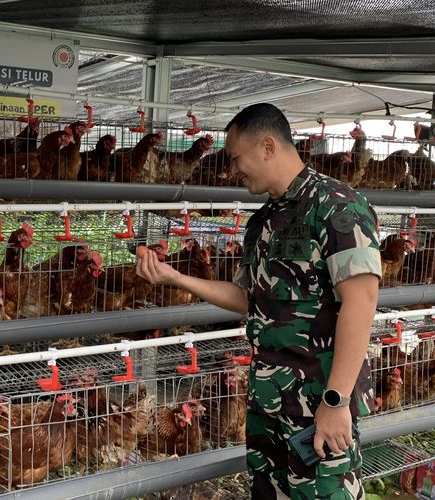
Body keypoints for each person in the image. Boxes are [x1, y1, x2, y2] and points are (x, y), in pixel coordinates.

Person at [137, 103, 381, 499]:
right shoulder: (264, 221)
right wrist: (174, 276)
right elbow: (250, 298)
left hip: (316, 404)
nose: (233, 170)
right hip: (269, 402)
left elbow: (361, 301)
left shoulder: (336, 205)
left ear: (267, 146)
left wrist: (335, 401)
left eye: (236, 158)